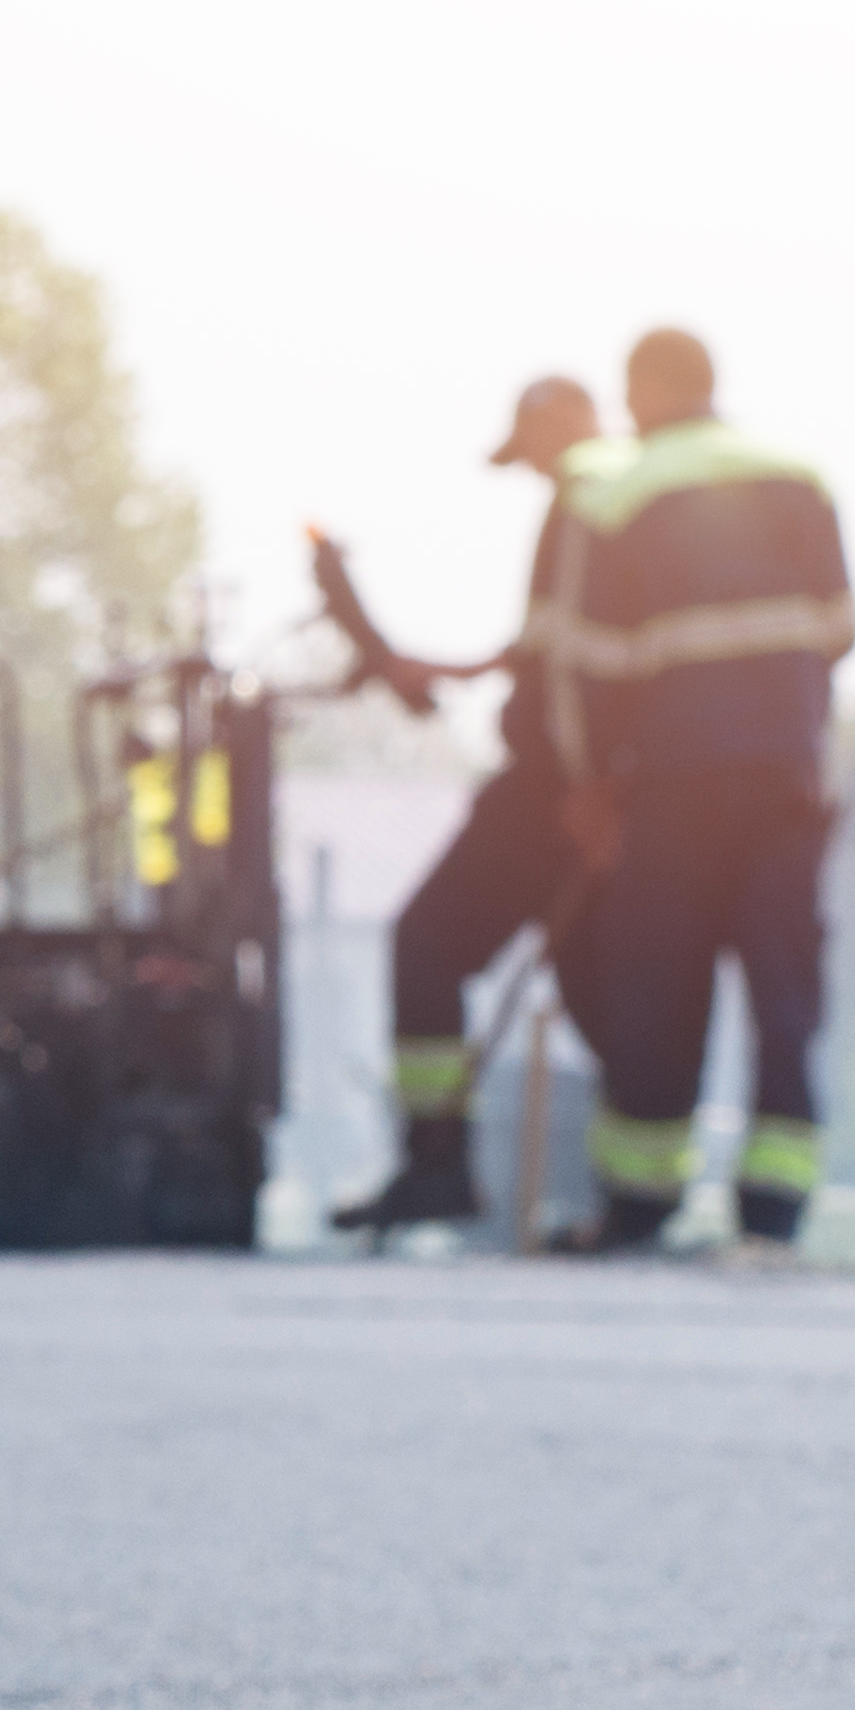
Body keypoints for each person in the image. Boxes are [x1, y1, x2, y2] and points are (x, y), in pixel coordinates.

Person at [542, 327, 855, 1254]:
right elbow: (839, 627)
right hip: (786, 780)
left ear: (639, 391)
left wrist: (590, 784)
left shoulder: (613, 493)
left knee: (656, 992)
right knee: (784, 995)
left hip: (672, 787)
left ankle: (640, 1201)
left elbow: (585, 665)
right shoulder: (801, 478)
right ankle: (774, 1209)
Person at [329, 372, 607, 1235]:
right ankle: (631, 1199)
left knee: (427, 943)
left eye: (531, 450)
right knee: (601, 984)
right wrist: (445, 671)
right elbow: (543, 648)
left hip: (556, 787)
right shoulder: (593, 507)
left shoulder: (588, 501)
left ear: (563, 425)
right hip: (580, 781)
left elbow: (576, 662)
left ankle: (438, 1162)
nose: (529, 470)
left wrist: (586, 779)